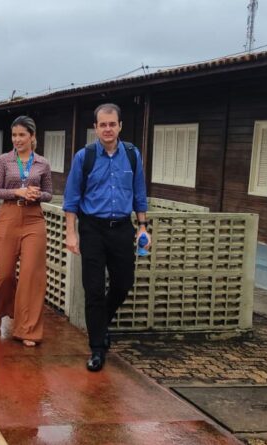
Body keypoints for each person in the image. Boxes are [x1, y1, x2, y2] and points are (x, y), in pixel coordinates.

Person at [62, 103, 150, 372]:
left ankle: (100, 325)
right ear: (95, 128)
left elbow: (139, 194)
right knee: (94, 289)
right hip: (92, 229)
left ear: (120, 126)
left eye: (112, 124)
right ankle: (97, 348)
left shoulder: (132, 155)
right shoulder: (84, 157)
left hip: (122, 228)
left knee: (124, 283)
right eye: (103, 124)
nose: (108, 129)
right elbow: (71, 199)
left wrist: (143, 227)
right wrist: (71, 233)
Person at [0, 116, 53, 347]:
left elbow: (49, 194)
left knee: (31, 275)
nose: (17, 139)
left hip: (34, 219)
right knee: (5, 273)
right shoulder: (4, 160)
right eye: (14, 135)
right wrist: (17, 192)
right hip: (9, 216)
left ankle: (28, 330)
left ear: (32, 136)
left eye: (22, 135)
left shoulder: (42, 163)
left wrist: (37, 194)